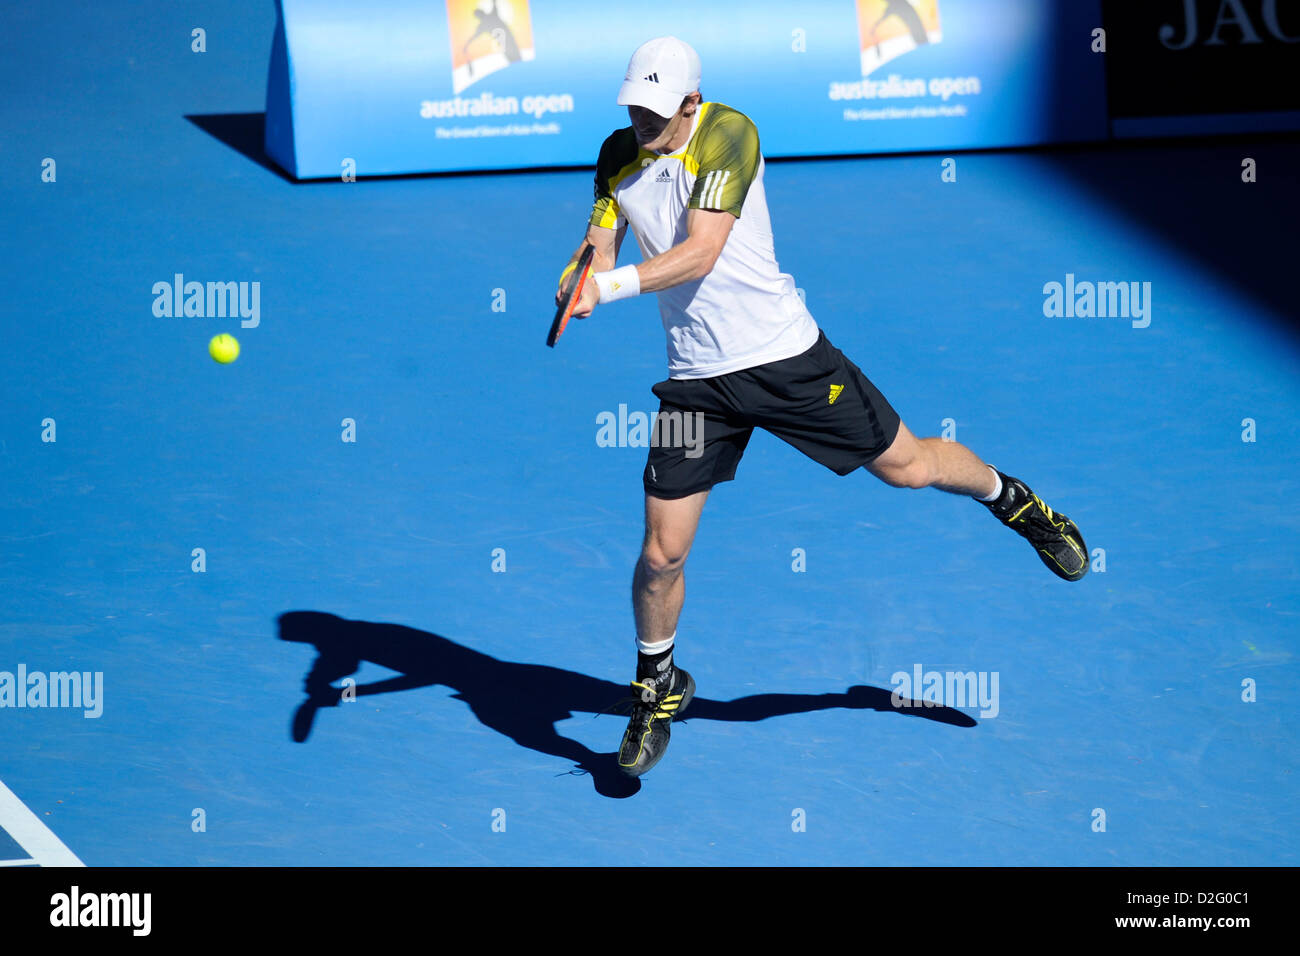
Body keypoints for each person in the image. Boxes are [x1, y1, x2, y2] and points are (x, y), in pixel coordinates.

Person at [556, 36, 1088, 779]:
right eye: (633, 106)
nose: (641, 120)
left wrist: (605, 291)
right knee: (660, 554)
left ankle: (1014, 500)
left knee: (908, 468)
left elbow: (702, 252)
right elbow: (600, 248)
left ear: (689, 101)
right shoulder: (616, 152)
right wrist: (581, 272)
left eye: (656, 108)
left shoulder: (729, 132)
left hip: (787, 360)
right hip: (695, 383)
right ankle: (657, 683)